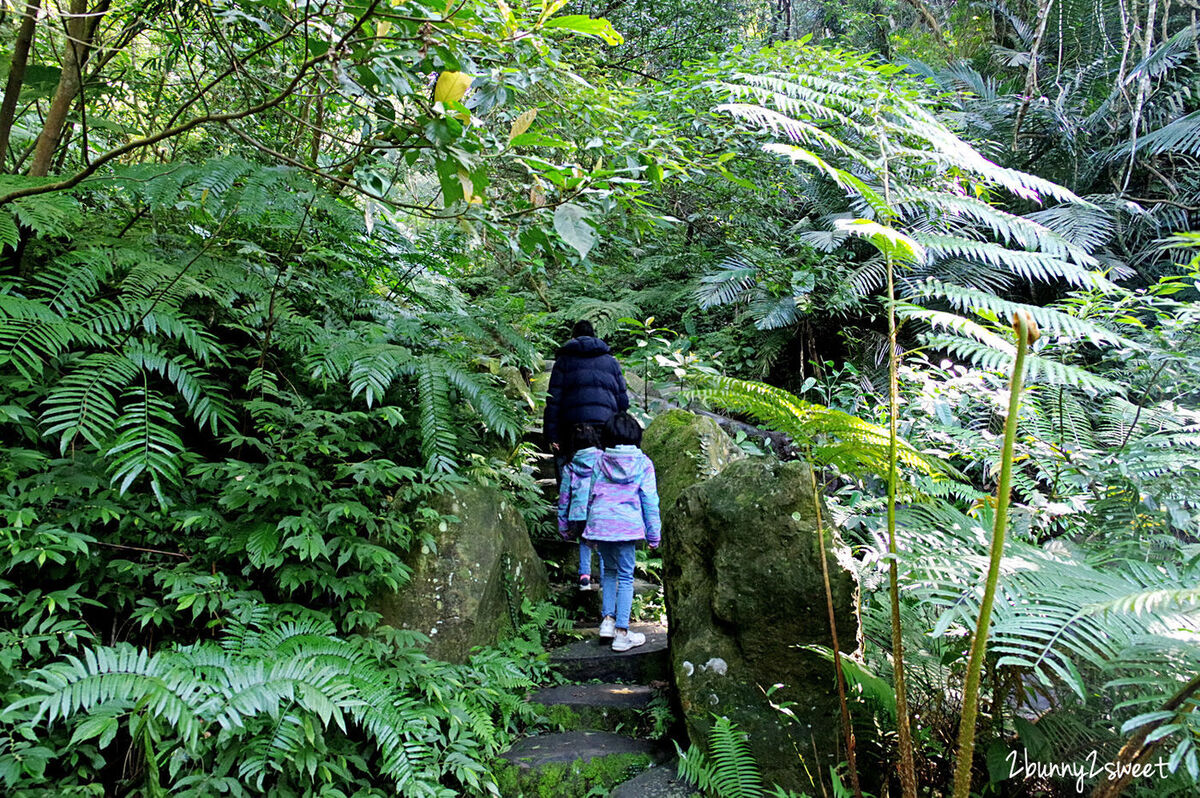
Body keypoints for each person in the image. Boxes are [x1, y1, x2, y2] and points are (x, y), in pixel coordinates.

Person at [583, 412, 661, 652]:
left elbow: (591, 495)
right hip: (626, 527)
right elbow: (649, 500)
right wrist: (653, 534)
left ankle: (607, 621)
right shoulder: (643, 463)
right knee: (626, 577)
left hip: (602, 525)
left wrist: (590, 527)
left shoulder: (599, 461)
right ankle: (622, 632)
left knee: (609, 573)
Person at [543, 320, 629, 484]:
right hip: (604, 426)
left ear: (573, 337)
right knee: (601, 472)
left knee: (569, 469)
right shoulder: (611, 361)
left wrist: (551, 435)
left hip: (571, 428)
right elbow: (622, 400)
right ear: (594, 336)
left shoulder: (563, 361)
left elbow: (554, 400)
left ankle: (567, 504)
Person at [557, 424, 605, 591]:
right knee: (603, 547)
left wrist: (563, 525)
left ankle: (585, 577)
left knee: (585, 543)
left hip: (578, 513)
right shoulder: (604, 460)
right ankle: (606, 580)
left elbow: (564, 498)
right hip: (600, 510)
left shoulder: (570, 466)